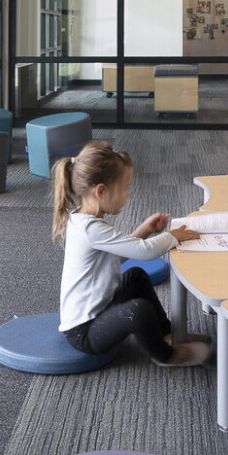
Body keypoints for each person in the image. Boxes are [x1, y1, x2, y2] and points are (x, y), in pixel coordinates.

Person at [53, 140, 212, 367]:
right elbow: (144, 252)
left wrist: (146, 230)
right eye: (125, 188)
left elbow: (120, 255)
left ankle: (168, 334)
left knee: (135, 275)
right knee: (138, 311)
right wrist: (173, 236)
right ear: (101, 191)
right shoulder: (90, 228)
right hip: (84, 332)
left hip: (101, 308)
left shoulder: (85, 219)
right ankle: (166, 355)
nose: (127, 195)